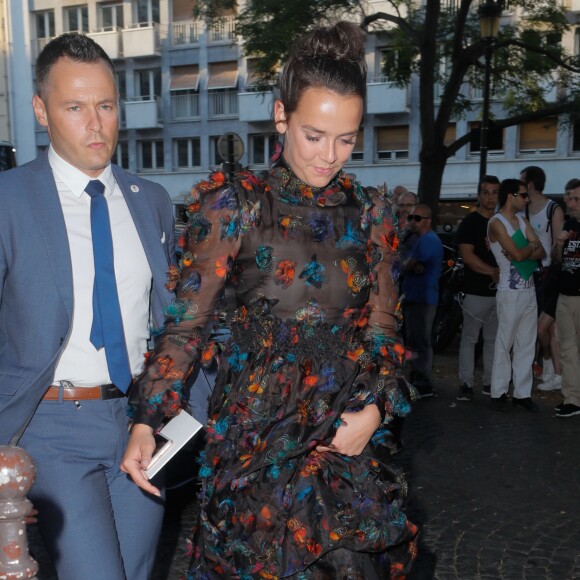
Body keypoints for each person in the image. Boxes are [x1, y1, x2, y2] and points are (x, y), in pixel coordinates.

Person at [122, 21, 418, 578]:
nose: (330, 156)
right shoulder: (235, 206)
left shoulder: (373, 214)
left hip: (341, 436)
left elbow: (384, 333)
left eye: (347, 138)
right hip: (257, 438)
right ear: (281, 116)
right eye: (314, 135)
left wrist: (374, 411)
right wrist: (147, 420)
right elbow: (188, 326)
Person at [0, 33, 179, 579]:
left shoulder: (151, 201)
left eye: (105, 105)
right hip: (50, 421)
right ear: (41, 110)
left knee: (138, 569)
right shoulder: (9, 199)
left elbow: (175, 320)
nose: (95, 124)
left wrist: (175, 410)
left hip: (139, 420)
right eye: (75, 107)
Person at [488, 179, 545, 412]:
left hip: (528, 289)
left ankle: (522, 394)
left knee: (526, 344)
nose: (526, 199)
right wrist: (530, 248)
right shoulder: (496, 223)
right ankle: (498, 392)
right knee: (505, 343)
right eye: (523, 195)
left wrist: (528, 248)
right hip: (510, 292)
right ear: (510, 196)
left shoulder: (521, 220)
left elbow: (539, 249)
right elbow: (519, 254)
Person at [519, 166, 564, 386]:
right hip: (527, 273)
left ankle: (550, 366)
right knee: (533, 327)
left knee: (543, 327)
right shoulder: (522, 210)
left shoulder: (552, 209)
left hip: (546, 274)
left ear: (530, 184)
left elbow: (558, 247)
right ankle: (545, 367)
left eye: (522, 182)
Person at [456, 176, 500, 401]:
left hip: (499, 293)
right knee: (470, 338)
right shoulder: (470, 223)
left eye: (494, 192)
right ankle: (466, 383)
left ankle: (490, 383)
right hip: (475, 291)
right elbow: (468, 256)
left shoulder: (503, 222)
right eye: (486, 192)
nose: (490, 196)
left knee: (494, 340)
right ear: (479, 195)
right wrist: (493, 272)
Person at [402, 203, 443, 398]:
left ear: (427, 221)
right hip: (418, 297)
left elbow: (407, 265)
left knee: (420, 341)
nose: (412, 222)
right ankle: (419, 378)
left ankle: (423, 382)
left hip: (422, 299)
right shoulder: (422, 240)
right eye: (410, 217)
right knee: (416, 339)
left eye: (417, 218)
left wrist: (409, 266)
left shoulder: (427, 241)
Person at [552, 180, 580, 418]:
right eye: (569, 198)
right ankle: (572, 398)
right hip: (565, 296)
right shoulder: (568, 225)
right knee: (567, 350)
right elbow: (556, 261)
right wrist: (559, 244)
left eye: (576, 199)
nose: (570, 203)